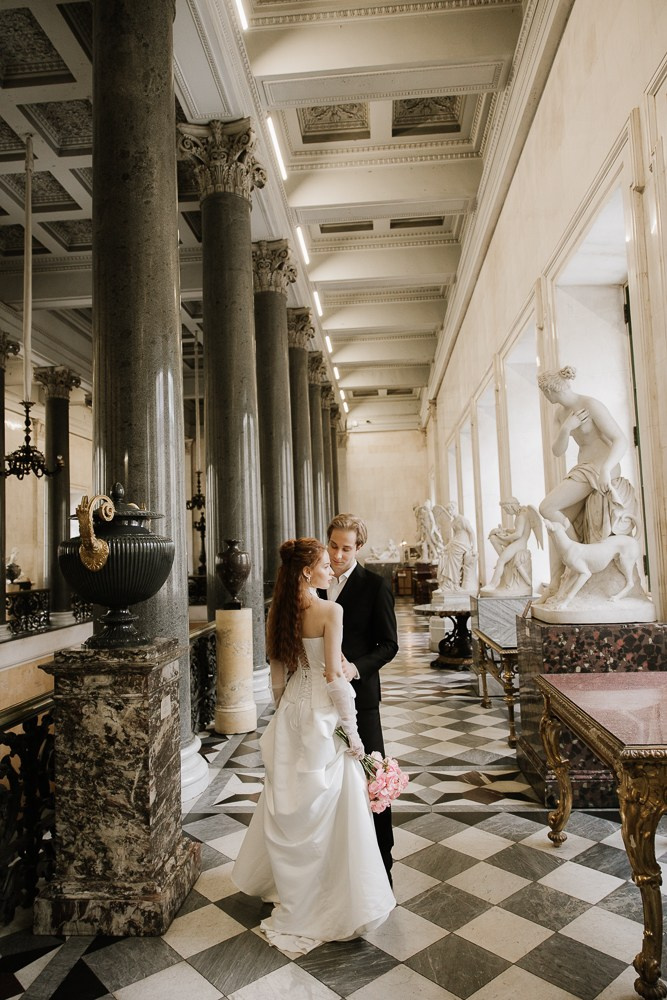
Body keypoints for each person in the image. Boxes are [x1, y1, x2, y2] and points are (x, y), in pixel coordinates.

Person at [232, 538, 395, 956]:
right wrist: (353, 734)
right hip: (322, 714)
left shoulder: (280, 610)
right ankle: (331, 894)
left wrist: (285, 712)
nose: (330, 569)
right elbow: (334, 679)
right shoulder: (330, 611)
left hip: (292, 713)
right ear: (307, 571)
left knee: (294, 803)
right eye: (324, 564)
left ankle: (295, 887)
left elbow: (277, 674)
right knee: (332, 807)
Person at [323, 513, 399, 882]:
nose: (338, 555)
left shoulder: (375, 586)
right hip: (320, 702)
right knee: (328, 781)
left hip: (361, 698)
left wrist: (354, 668)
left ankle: (384, 863)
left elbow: (389, 645)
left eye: (346, 549)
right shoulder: (315, 581)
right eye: (333, 546)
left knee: (372, 777)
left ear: (359, 548)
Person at [537, 365, 636, 596]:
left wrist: (606, 469)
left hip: (600, 467)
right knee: (559, 525)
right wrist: (566, 428)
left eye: (544, 392)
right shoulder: (560, 414)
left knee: (547, 508)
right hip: (583, 469)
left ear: (549, 390)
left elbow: (620, 439)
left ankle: (579, 556)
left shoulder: (591, 405)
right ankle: (557, 583)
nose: (545, 396)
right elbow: (557, 451)